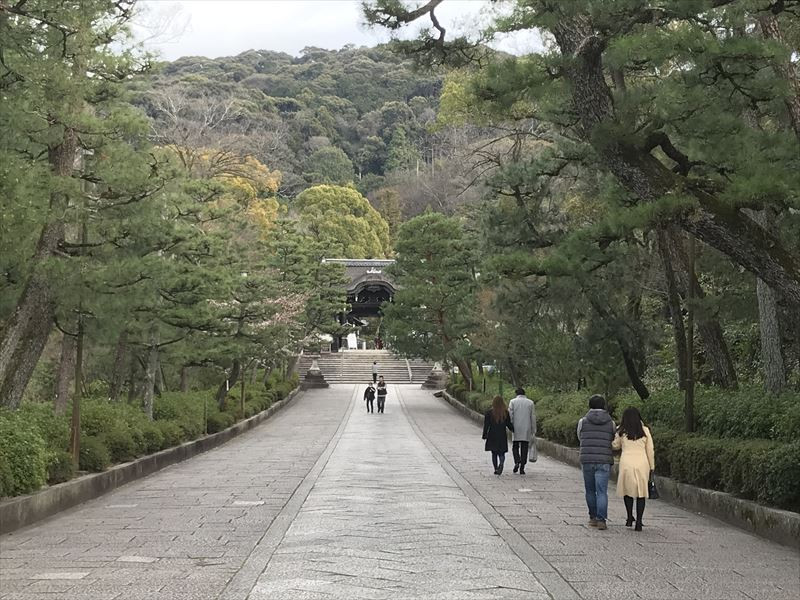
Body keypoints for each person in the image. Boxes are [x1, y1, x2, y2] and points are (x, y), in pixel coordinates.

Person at [613, 407, 655, 531]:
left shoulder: (621, 431)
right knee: (641, 492)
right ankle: (640, 521)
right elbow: (650, 450)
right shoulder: (645, 431)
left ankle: (630, 516)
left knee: (627, 491)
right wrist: (652, 467)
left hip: (626, 462)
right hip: (642, 463)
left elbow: (615, 446)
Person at [577, 394, 615, 530]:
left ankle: (592, 518)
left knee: (590, 490)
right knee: (602, 491)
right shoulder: (611, 423)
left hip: (587, 459)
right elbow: (612, 439)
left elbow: (579, 437)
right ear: (603, 406)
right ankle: (601, 520)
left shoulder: (583, 421)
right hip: (604, 459)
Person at [482, 395, 514, 475]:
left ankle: (496, 468)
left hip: (492, 435)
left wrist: (484, 434)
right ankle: (501, 463)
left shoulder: (489, 412)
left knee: (494, 453)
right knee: (501, 452)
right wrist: (513, 429)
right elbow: (508, 424)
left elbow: (486, 425)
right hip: (502, 434)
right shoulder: (505, 412)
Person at [508, 388, 536, 475]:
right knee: (524, 447)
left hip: (516, 427)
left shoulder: (512, 401)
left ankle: (517, 461)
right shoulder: (530, 402)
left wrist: (510, 426)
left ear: (516, 394)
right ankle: (522, 467)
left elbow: (510, 415)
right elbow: (533, 417)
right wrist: (533, 429)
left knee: (515, 446)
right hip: (526, 427)